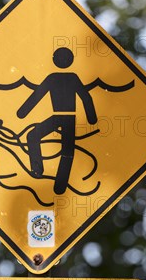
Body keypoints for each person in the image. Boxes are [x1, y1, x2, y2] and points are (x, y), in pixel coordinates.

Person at [17, 47, 97, 194]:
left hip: (67, 118)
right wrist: (22, 113)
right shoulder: (58, 77)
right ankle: (38, 169)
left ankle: (58, 184)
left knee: (66, 151)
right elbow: (37, 96)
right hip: (61, 117)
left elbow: (36, 96)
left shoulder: (64, 77)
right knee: (35, 137)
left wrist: (92, 119)